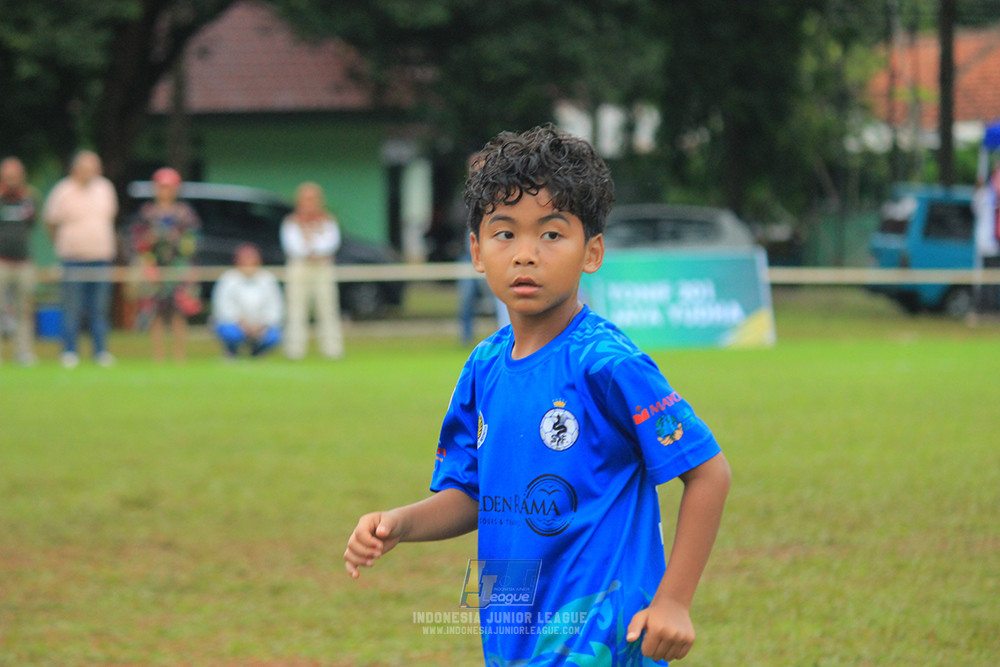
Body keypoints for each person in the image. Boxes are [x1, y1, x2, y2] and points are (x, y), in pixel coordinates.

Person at [344, 126, 731, 665]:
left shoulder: (607, 364)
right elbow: (475, 494)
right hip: (511, 631)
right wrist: (400, 523)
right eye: (505, 235)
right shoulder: (483, 366)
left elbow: (708, 472)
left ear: (591, 251)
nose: (526, 255)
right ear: (477, 251)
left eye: (551, 234)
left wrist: (673, 601)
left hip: (599, 635)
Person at [43, 150, 118, 368]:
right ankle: (69, 351)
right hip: (72, 259)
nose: (91, 172)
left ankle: (100, 351)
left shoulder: (105, 188)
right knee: (71, 307)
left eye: (94, 167)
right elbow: (50, 222)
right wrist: (62, 244)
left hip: (101, 257)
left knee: (100, 308)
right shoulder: (62, 190)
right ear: (76, 169)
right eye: (86, 167)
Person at [127, 167, 201, 361]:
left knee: (179, 312)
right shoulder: (147, 213)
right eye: (161, 187)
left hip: (178, 268)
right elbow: (136, 242)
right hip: (154, 269)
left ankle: (179, 356)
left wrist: (175, 239)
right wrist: (149, 240)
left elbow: (192, 242)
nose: (165, 191)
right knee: (154, 312)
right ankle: (158, 356)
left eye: (169, 187)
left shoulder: (185, 214)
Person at [280, 182, 344, 359]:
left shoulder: (327, 220)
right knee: (296, 308)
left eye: (313, 199)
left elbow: (331, 243)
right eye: (306, 199)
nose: (310, 203)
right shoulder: (292, 221)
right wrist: (309, 249)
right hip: (300, 267)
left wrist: (314, 248)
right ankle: (295, 350)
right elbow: (292, 245)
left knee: (327, 307)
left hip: (322, 267)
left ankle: (332, 349)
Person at [211, 243, 283, 358]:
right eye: (245, 261)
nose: (249, 264)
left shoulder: (267, 279)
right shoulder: (228, 279)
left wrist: (262, 324)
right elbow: (223, 307)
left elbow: (275, 307)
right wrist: (242, 323)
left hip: (261, 325)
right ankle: (231, 351)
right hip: (236, 325)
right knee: (231, 333)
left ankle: (257, 352)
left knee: (274, 336)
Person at [0, 156, 38, 366]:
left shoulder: (30, 198)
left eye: (15, 174)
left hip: (23, 262)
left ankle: (24, 353)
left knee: (24, 310)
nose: (12, 178)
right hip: (1, 262)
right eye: (8, 175)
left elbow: (33, 225)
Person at [971, 164, 1000, 320]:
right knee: (989, 277)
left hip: (991, 243)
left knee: (991, 277)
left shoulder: (988, 194)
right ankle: (987, 308)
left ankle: (988, 307)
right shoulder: (986, 195)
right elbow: (975, 207)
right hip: (989, 243)